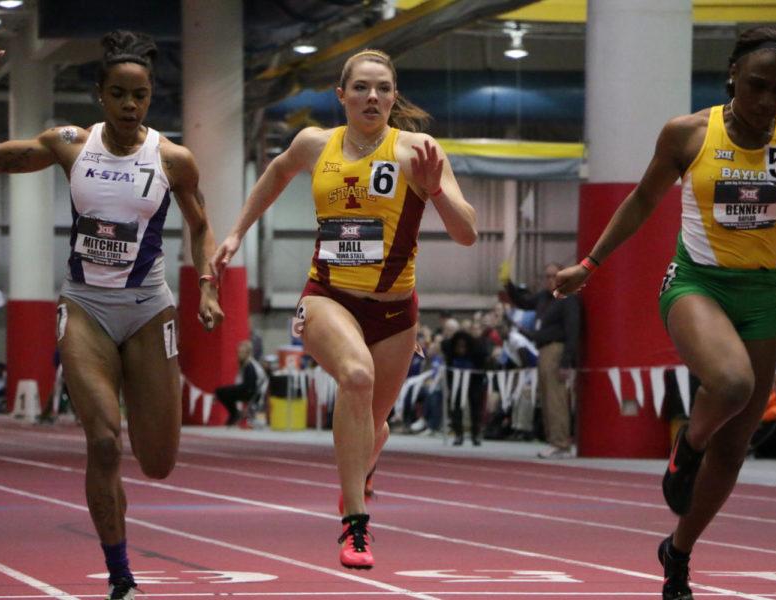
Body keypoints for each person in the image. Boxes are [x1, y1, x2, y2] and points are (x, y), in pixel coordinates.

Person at [0, 31, 224, 600]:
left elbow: (200, 226)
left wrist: (206, 285)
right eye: (120, 95)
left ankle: (124, 554)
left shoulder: (173, 158)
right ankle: (121, 574)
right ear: (101, 97)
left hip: (150, 309)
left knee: (157, 463)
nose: (132, 106)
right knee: (104, 442)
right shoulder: (70, 144)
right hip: (85, 305)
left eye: (142, 96)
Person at [553, 27, 776, 600]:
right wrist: (591, 263)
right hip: (695, 284)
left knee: (735, 446)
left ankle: (678, 551)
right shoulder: (689, 134)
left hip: (760, 295)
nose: (766, 101)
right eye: (757, 85)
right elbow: (641, 200)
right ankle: (688, 445)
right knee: (732, 383)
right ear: (733, 74)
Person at [211, 48, 476, 569]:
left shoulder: (417, 149)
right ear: (342, 95)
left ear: (394, 96)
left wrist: (435, 193)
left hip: (397, 311)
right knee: (356, 377)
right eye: (360, 87)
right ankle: (355, 526)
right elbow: (274, 174)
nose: (371, 96)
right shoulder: (315, 143)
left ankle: (357, 475)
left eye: (382, 88)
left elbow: (466, 234)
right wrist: (236, 232)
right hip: (327, 298)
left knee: (374, 426)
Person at [503, 262, 580, 458]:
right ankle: (553, 440)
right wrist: (507, 284)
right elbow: (522, 302)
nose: (550, 280)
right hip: (542, 350)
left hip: (557, 349)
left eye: (554, 276)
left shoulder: (568, 299)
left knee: (556, 400)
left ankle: (561, 443)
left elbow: (573, 331)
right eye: (546, 276)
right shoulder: (544, 298)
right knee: (546, 399)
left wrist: (566, 361)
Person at [215, 339, 267, 427]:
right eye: (238, 352)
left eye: (241, 352)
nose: (239, 354)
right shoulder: (246, 364)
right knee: (223, 391)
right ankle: (234, 413)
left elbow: (249, 386)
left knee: (221, 392)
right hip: (249, 390)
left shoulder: (250, 366)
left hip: (252, 393)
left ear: (247, 353)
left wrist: (233, 389)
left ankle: (234, 413)